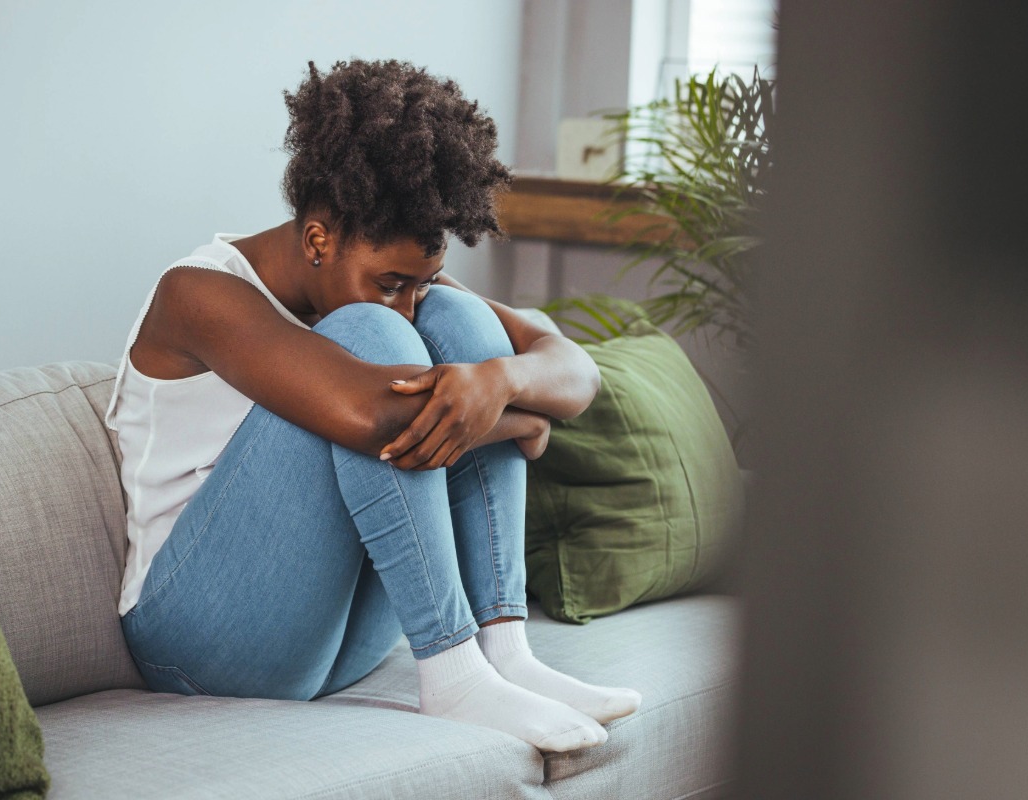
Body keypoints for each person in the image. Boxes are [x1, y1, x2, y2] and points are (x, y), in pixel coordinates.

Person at [104, 58, 642, 753]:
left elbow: (574, 368)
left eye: (420, 280)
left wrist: (502, 382)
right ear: (318, 239)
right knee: (369, 335)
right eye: (391, 282)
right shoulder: (197, 293)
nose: (406, 303)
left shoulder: (406, 285)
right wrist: (521, 418)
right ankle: (453, 675)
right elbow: (376, 418)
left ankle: (505, 654)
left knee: (464, 325)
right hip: (199, 639)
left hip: (333, 642)